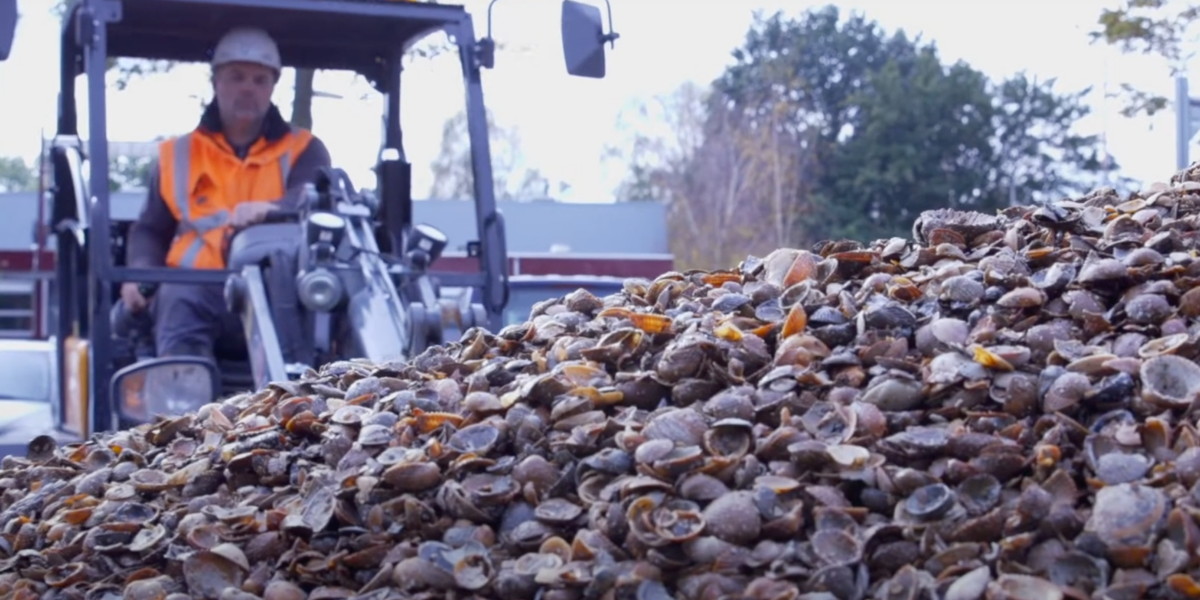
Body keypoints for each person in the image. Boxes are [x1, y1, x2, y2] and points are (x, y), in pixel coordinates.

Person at [122, 27, 331, 360]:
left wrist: (272, 208)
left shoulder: (305, 149)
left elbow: (313, 197)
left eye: (259, 80)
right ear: (216, 81)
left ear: (273, 87)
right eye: (237, 77)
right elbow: (150, 229)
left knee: (319, 310)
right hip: (197, 289)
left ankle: (295, 405)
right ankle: (183, 401)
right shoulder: (177, 155)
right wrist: (139, 272)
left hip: (275, 289)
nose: (248, 88)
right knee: (178, 294)